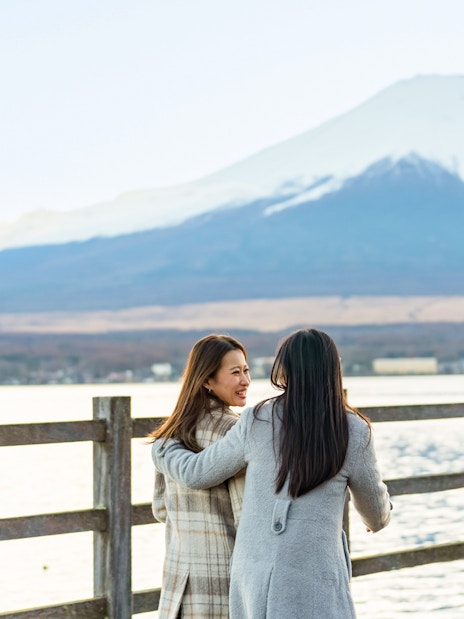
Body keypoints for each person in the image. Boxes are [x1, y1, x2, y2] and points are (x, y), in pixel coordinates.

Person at [152, 328, 392, 619]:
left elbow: (197, 473)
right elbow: (376, 513)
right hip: (315, 573)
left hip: (253, 576)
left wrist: (163, 448)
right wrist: (378, 517)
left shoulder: (256, 419)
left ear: (284, 369)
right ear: (333, 369)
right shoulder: (353, 429)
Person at [149, 333, 250, 619]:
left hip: (179, 581)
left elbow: (160, 509)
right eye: (235, 372)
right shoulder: (237, 433)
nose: (245, 380)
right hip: (226, 583)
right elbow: (248, 517)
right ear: (207, 380)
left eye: (246, 370)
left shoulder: (171, 434)